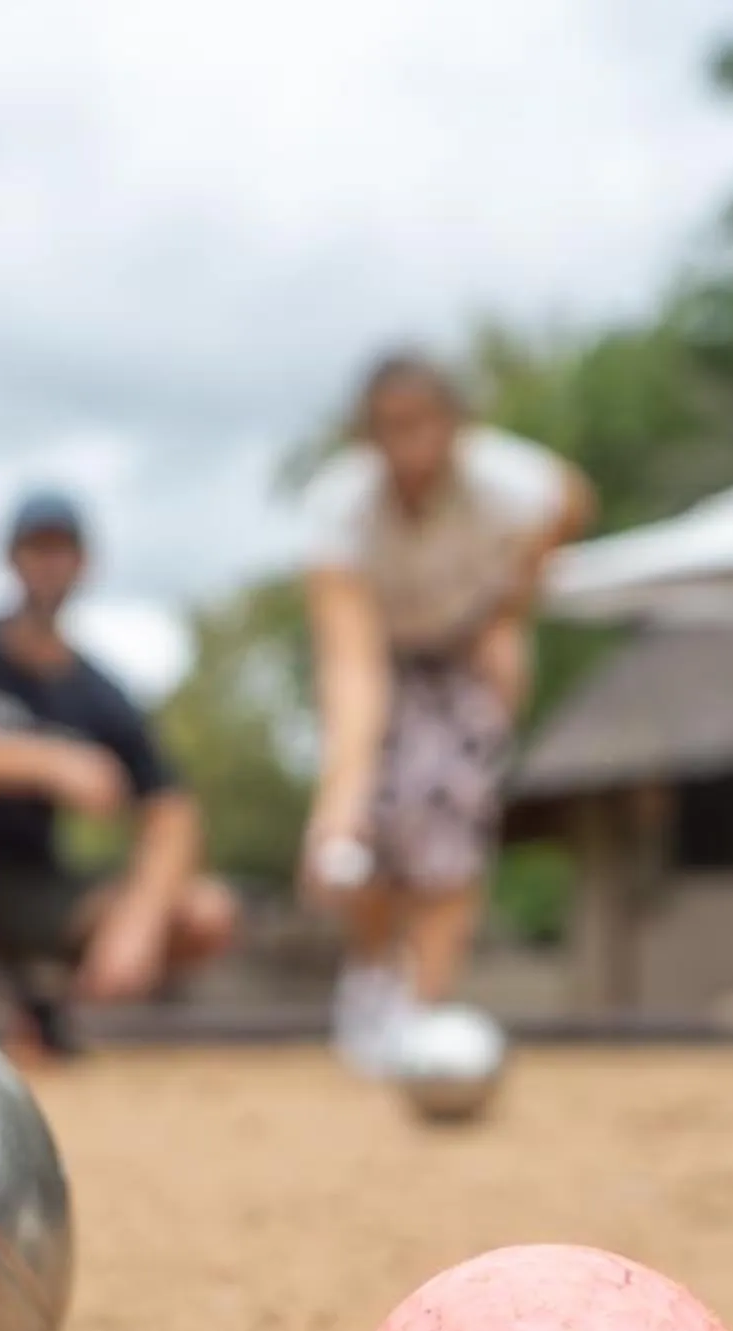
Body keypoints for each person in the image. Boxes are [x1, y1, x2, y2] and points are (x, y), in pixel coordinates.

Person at [296, 352, 596, 1076]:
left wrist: (508, 617)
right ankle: (373, 974)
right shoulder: (338, 509)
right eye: (389, 430)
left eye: (423, 426)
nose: (409, 448)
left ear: (456, 427)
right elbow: (351, 663)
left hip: (464, 648)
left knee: (453, 820)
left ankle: (421, 1017)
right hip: (385, 653)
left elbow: (572, 501)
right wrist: (341, 794)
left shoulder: (509, 480)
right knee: (373, 820)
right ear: (365, 437)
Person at [0, 491, 238, 1054]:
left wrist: (139, 919)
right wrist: (48, 761)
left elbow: (173, 810)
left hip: (37, 890)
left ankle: (45, 1008)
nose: (48, 562)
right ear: (10, 559)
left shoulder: (98, 693)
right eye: (35, 547)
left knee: (205, 910)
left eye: (61, 549)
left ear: (85, 563)